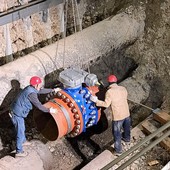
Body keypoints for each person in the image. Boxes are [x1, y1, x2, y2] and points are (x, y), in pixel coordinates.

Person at [10, 76, 60, 157]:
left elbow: (40, 90)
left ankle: (23, 141)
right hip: (16, 114)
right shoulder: (32, 94)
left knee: (22, 128)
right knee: (20, 131)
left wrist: (53, 90)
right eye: (40, 84)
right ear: (36, 85)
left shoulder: (30, 88)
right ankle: (19, 152)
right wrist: (50, 110)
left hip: (17, 111)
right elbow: (39, 106)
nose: (41, 85)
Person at [90, 74, 131, 155]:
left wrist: (96, 101)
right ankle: (127, 139)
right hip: (126, 113)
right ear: (116, 81)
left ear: (109, 83)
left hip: (118, 116)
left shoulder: (109, 92)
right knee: (127, 128)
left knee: (117, 133)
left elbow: (106, 104)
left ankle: (118, 150)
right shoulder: (123, 88)